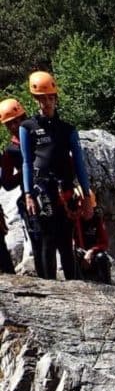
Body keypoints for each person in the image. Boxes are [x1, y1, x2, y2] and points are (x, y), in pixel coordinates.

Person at [19, 71, 93, 280]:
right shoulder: (28, 127)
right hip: (42, 189)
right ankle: (49, 286)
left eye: (50, 98)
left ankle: (73, 284)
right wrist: (28, 194)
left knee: (65, 239)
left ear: (56, 98)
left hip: (65, 189)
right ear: (35, 100)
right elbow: (26, 161)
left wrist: (86, 196)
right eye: (42, 99)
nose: (46, 103)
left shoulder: (67, 129)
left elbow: (79, 163)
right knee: (47, 238)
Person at [0, 97, 28, 273]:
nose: (15, 126)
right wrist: (25, 173)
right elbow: (7, 183)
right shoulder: (10, 151)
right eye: (10, 123)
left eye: (17, 121)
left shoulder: (40, 138)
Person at [74, 192, 111, 283]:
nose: (88, 211)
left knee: (102, 258)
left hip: (93, 254)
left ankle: (107, 285)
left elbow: (104, 242)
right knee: (74, 256)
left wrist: (91, 251)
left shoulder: (97, 220)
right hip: (79, 254)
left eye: (90, 208)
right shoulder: (74, 220)